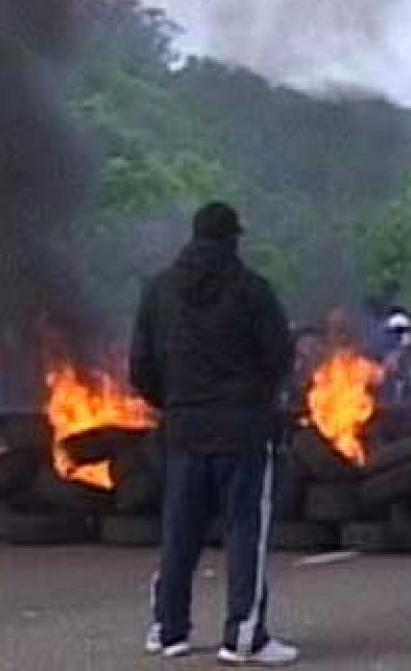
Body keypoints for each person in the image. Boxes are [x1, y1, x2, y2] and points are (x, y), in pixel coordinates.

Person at [131, 202, 298, 666]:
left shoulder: (159, 291)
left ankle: (169, 631)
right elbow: (279, 355)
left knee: (179, 530)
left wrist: (175, 403)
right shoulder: (251, 289)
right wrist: (257, 400)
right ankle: (243, 638)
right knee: (245, 530)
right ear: (232, 238)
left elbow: (140, 367)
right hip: (241, 432)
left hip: (184, 430)